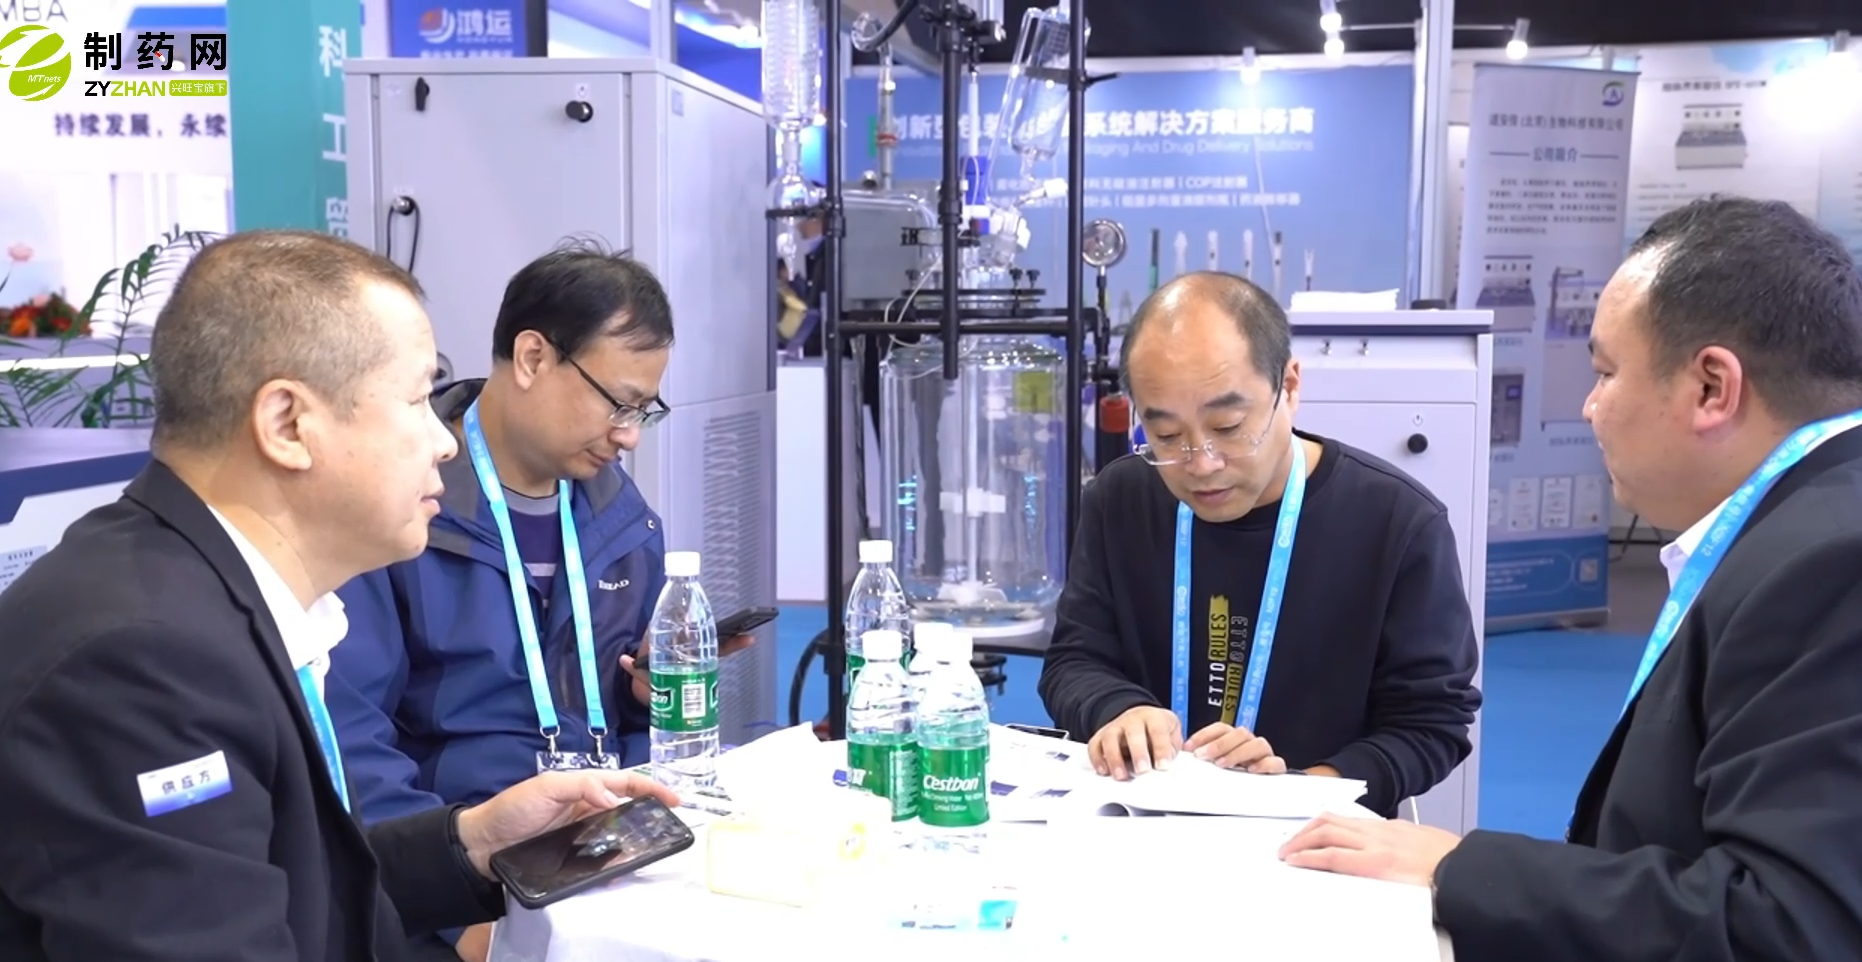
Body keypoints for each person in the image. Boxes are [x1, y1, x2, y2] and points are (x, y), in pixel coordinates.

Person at [0, 230, 680, 962]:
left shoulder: (224, 596)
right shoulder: (140, 662)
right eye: (416, 400)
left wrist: (471, 842)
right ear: (288, 425)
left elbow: (300, 879)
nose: (445, 441)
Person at [1278, 196, 1862, 960]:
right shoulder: (1807, 523)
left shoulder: (1828, 567)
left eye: (1606, 372)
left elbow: (1784, 928)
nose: (1589, 407)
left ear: (1711, 388)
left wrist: (1461, 869)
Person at [324, 243, 749, 960]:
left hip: (603, 851)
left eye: (645, 410)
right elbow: (347, 744)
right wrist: (457, 917)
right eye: (617, 403)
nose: (629, 435)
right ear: (531, 358)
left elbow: (612, 713)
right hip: (467, 877)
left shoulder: (620, 520)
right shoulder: (398, 516)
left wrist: (643, 696)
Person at [1037, 271, 1482, 817]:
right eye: (1167, 436)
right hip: (1136, 819)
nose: (1201, 464)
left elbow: (1431, 723)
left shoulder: (1397, 523)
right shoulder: (1122, 498)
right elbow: (1074, 660)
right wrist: (1118, 709)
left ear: (1289, 387)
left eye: (1228, 427)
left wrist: (1300, 790)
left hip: (1312, 835)